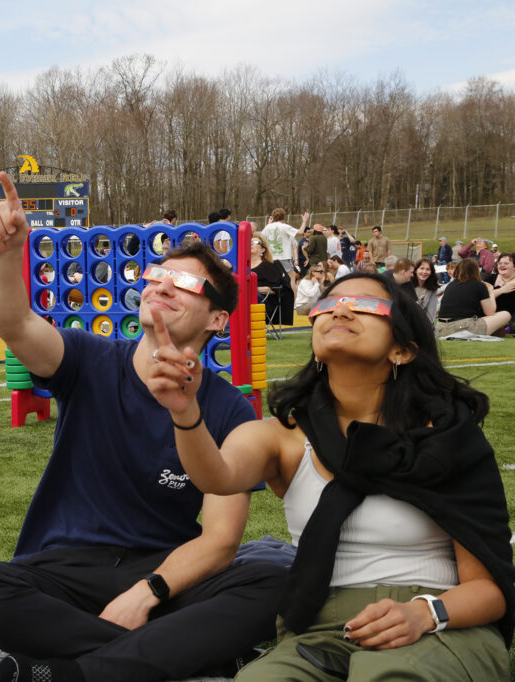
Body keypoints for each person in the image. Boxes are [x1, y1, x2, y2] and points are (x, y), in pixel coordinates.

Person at [0, 172, 287, 682]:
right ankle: (180, 658)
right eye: (157, 276)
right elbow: (13, 323)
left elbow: (220, 541)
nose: (162, 287)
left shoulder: (228, 410)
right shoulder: (89, 358)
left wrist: (147, 591)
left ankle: (72, 673)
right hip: (64, 568)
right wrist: (6, 255)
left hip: (164, 574)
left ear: (218, 320)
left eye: (184, 283)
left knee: (271, 582)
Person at [150, 271, 514, 681]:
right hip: (321, 628)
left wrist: (425, 613)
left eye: (365, 305)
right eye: (328, 304)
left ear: (402, 350)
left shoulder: (446, 439)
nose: (341, 308)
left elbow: (491, 590)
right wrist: (185, 413)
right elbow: (216, 476)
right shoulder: (281, 437)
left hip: (438, 622)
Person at [436, 258, 511, 337]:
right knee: (505, 314)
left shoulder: (451, 285)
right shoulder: (479, 285)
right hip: (462, 328)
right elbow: (490, 312)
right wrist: (490, 291)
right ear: (476, 270)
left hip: (441, 329)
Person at [250, 234, 293, 326]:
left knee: (245, 296)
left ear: (263, 249)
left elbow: (274, 289)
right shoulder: (240, 266)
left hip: (264, 301)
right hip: (243, 299)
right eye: (249, 242)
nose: (251, 244)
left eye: (255, 242)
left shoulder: (269, 266)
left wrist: (252, 289)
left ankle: (229, 330)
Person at [261, 209, 308, 286]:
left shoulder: (268, 227)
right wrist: (304, 221)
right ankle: (294, 296)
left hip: (272, 258)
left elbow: (262, 237)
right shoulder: (284, 226)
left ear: (273, 217)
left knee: (274, 277)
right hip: (284, 257)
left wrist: (268, 224)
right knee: (292, 278)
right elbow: (300, 232)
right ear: (283, 217)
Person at [485, 252, 515, 321]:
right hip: (488, 317)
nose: (502, 265)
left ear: (514, 267)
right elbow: (481, 298)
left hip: (510, 319)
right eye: (500, 263)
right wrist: (502, 290)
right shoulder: (491, 278)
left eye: (506, 263)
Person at [413, 257, 439, 325]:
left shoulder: (432, 289)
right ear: (416, 270)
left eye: (428, 269)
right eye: (422, 268)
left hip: (422, 326)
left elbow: (431, 313)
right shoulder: (407, 286)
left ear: (431, 272)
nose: (424, 272)